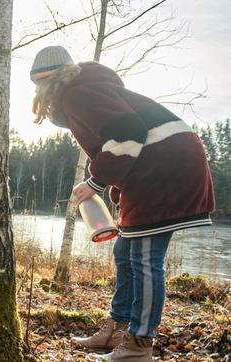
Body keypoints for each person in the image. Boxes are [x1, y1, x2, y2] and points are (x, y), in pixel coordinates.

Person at [29, 46, 214, 361]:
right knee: (125, 250)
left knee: (144, 257)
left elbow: (128, 134)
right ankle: (117, 328)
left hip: (166, 169)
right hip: (159, 165)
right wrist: (115, 187)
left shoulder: (77, 94)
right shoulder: (88, 89)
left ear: (48, 83)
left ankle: (139, 345)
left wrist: (95, 182)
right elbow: (122, 141)